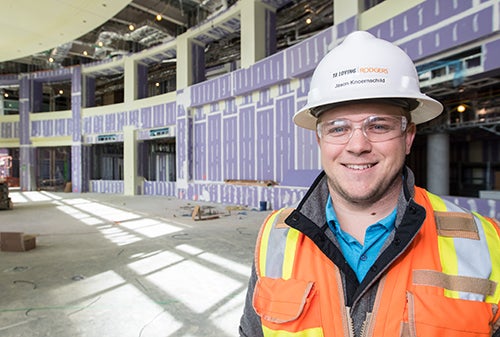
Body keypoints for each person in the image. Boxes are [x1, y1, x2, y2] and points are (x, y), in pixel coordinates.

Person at [239, 31, 500, 337]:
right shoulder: (276, 236)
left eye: (378, 126)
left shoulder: (486, 244)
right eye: (339, 129)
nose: (358, 145)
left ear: (408, 136)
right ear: (319, 139)